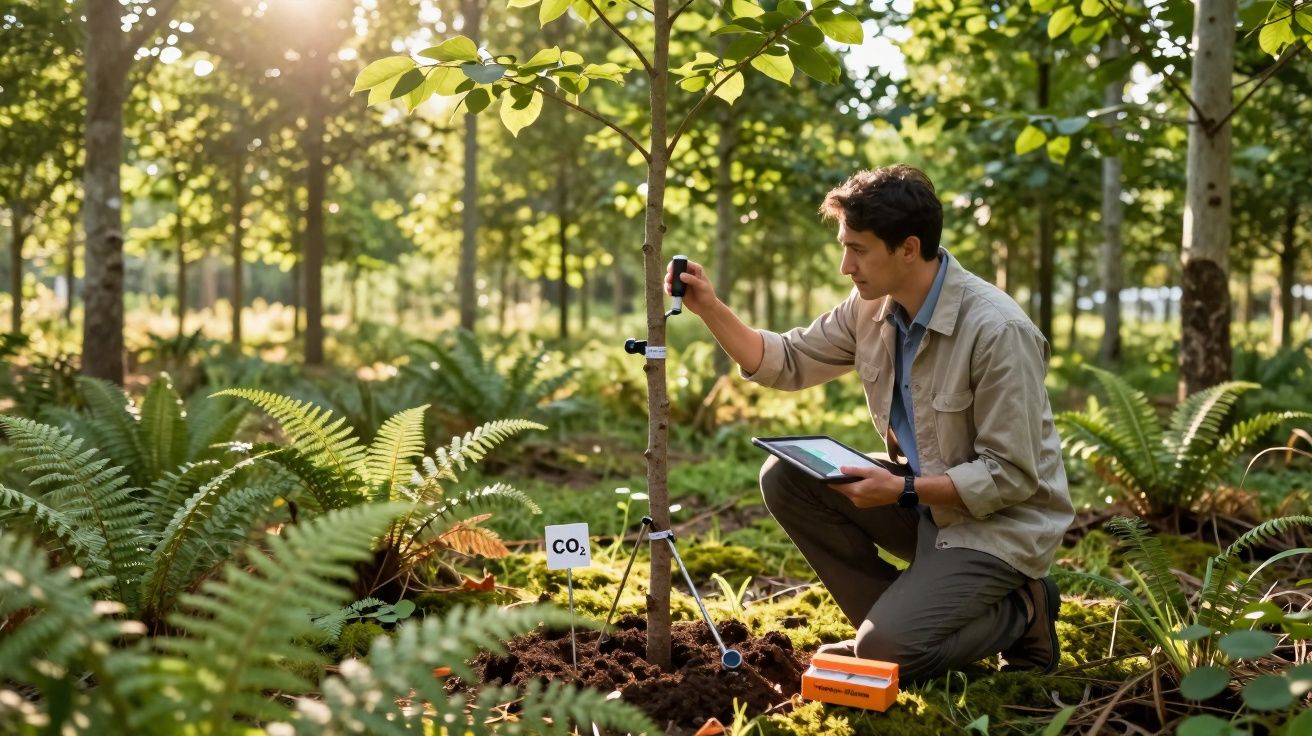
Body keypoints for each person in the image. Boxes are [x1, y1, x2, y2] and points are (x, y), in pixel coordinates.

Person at [666, 164, 1074, 683]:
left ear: (908, 247)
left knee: (888, 652)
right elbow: (786, 360)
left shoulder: (997, 330)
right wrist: (709, 308)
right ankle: (895, 628)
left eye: (857, 249)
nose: (845, 265)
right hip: (925, 505)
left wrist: (903, 490)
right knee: (787, 476)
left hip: (999, 527)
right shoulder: (871, 308)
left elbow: (1013, 476)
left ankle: (1025, 611)